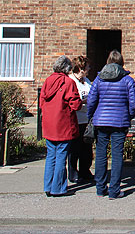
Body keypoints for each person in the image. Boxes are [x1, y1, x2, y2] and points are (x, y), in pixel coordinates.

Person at [88, 50, 135, 199]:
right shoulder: (127, 80)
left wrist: (92, 116)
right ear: (122, 62)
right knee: (117, 156)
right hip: (119, 121)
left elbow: (91, 100)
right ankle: (114, 190)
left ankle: (100, 188)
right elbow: (133, 103)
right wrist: (128, 116)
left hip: (101, 121)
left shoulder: (99, 79)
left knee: (101, 154)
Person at [40, 55, 82, 197]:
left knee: (51, 156)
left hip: (49, 124)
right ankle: (58, 188)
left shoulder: (48, 81)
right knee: (61, 156)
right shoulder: (68, 82)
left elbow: (42, 102)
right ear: (68, 69)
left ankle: (48, 185)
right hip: (63, 124)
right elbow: (75, 104)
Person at [67, 55, 94, 183]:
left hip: (86, 119)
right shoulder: (71, 80)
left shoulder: (86, 80)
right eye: (87, 67)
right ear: (81, 68)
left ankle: (85, 170)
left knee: (86, 148)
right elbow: (72, 100)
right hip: (75, 119)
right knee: (74, 148)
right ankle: (73, 172)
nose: (89, 69)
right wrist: (84, 101)